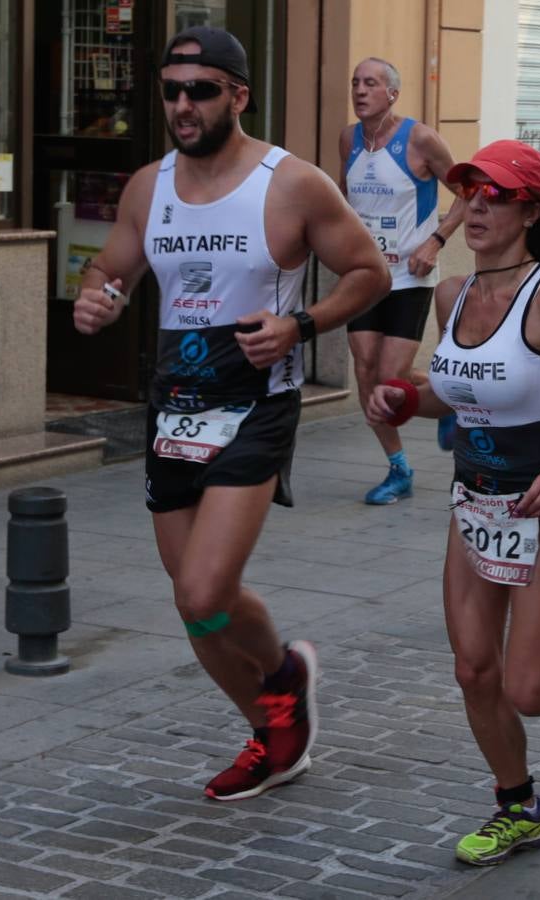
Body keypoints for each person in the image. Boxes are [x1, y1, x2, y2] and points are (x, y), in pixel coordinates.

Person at [73, 27, 390, 799]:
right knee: (196, 608)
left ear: (239, 96)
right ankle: (276, 729)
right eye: (172, 89)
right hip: (175, 403)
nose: (182, 105)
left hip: (255, 404)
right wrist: (98, 295)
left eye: (201, 90)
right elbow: (111, 264)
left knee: (205, 590)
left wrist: (301, 324)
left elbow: (369, 272)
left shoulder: (292, 183)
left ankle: (283, 678)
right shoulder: (150, 185)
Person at [367, 140, 540, 867]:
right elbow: (453, 395)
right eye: (471, 194)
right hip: (473, 511)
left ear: (529, 210)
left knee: (526, 687)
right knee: (472, 671)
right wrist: (405, 398)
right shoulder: (450, 295)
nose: (480, 207)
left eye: (496, 195)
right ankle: (517, 806)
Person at [339, 57, 465, 504]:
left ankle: (449, 399)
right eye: (355, 82)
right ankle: (399, 470)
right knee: (367, 372)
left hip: (410, 277)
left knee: (391, 377)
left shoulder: (420, 138)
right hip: (365, 276)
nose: (359, 90)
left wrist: (436, 242)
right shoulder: (348, 139)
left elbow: (469, 192)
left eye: (370, 83)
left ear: (392, 93)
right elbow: (345, 203)